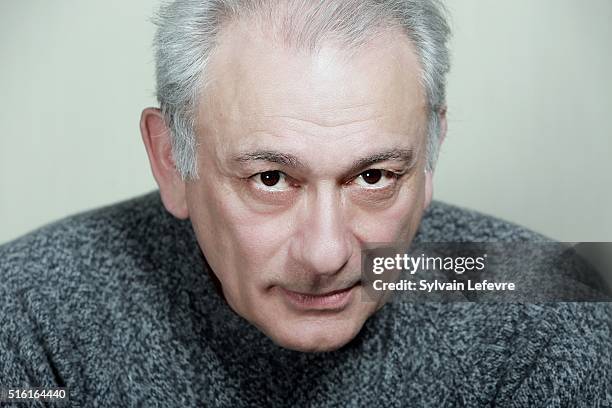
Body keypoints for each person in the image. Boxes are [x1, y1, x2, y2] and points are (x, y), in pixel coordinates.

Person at [0, 0, 609, 406]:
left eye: (374, 176)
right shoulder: (28, 318)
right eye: (269, 179)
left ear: (431, 155)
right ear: (170, 160)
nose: (327, 254)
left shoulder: (552, 304)